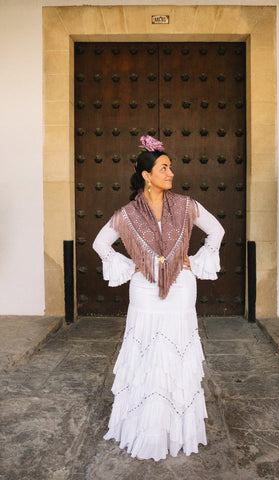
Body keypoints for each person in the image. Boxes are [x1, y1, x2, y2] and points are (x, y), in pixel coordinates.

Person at [92, 135, 225, 461]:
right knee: (148, 352)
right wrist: (132, 264)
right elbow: (100, 244)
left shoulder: (187, 205)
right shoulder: (127, 213)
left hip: (181, 288)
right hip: (144, 291)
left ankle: (176, 428)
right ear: (146, 175)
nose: (171, 173)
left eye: (170, 167)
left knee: (175, 353)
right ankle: (144, 427)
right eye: (164, 168)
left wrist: (194, 260)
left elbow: (217, 231)